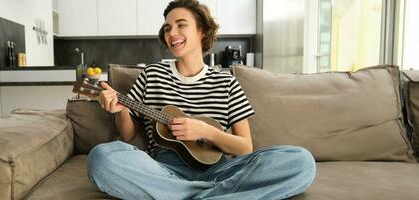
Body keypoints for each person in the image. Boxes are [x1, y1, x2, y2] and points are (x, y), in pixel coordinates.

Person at [87, 0, 316, 199]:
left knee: (301, 162)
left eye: (181, 25)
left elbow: (245, 148)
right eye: (167, 28)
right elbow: (127, 134)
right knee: (102, 158)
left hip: (221, 171)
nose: (171, 33)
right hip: (163, 170)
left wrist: (206, 132)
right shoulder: (152, 74)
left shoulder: (227, 83)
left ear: (201, 32)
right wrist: (120, 109)